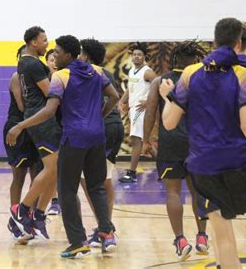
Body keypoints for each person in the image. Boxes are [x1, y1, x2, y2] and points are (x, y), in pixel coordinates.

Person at [160, 17, 246, 268]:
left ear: (213, 41)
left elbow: (169, 123)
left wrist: (167, 97)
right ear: (242, 42)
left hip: (203, 165)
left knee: (223, 238)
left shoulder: (190, 74)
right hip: (242, 163)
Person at [7, 35, 118, 259]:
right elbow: (115, 96)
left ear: (68, 54)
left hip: (74, 138)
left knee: (66, 190)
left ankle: (78, 242)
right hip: (97, 137)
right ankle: (107, 233)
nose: (54, 55)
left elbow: (49, 111)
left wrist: (20, 125)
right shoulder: (97, 71)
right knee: (96, 187)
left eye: (57, 52)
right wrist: (98, 116)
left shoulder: (60, 76)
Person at [142, 40, 209, 261]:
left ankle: (180, 241)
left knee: (173, 192)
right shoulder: (201, 79)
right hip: (197, 142)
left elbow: (150, 112)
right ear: (196, 60)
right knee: (198, 191)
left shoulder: (161, 80)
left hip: (170, 142)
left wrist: (145, 141)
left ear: (175, 59)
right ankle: (202, 237)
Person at [8, 26, 62, 240]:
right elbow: (50, 92)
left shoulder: (25, 62)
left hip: (39, 117)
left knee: (55, 169)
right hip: (42, 118)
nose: (47, 43)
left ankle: (38, 215)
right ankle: (23, 209)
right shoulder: (32, 63)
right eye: (44, 40)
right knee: (52, 167)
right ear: (33, 42)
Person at [77, 38, 121, 249]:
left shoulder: (88, 72)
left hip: (104, 128)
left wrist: (100, 117)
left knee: (91, 182)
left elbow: (114, 97)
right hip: (115, 128)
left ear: (85, 55)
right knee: (105, 178)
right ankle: (106, 226)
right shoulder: (105, 72)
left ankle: (105, 229)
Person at [5, 45, 42, 242]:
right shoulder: (15, 77)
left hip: (33, 127)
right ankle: (14, 219)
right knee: (19, 176)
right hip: (17, 126)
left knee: (37, 175)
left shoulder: (38, 76)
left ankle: (29, 216)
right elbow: (22, 106)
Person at [118, 43, 157, 183]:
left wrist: (148, 102)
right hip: (134, 110)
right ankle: (164, 168)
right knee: (145, 142)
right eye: (134, 54)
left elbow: (158, 86)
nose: (136, 57)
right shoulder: (132, 71)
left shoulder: (148, 72)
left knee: (136, 141)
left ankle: (131, 173)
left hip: (142, 111)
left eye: (139, 54)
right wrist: (122, 101)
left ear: (144, 57)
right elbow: (130, 89)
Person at [45, 48, 62, 216]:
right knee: (51, 166)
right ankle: (54, 201)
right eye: (51, 59)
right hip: (48, 128)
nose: (54, 62)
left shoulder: (65, 78)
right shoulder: (43, 82)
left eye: (57, 59)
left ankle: (63, 199)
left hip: (64, 126)